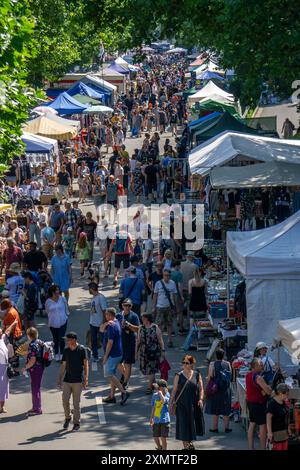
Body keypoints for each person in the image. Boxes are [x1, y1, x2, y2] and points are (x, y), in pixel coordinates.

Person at [170, 355, 205, 450]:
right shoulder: (178, 375)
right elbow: (174, 390)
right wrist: (171, 402)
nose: (184, 365)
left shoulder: (197, 374)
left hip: (193, 404)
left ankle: (189, 443)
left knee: (191, 424)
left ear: (192, 364)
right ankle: (186, 447)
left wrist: (201, 399)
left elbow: (201, 389)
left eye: (187, 363)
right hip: (181, 404)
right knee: (183, 425)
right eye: (183, 363)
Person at [57, 331, 89, 431]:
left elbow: (85, 364)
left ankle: (76, 423)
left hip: (78, 381)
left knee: (76, 403)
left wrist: (86, 378)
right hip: (67, 380)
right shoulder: (66, 350)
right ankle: (67, 417)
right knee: (65, 400)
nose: (67, 341)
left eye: (68, 340)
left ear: (74, 340)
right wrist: (60, 377)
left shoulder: (81, 350)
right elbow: (63, 365)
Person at [100, 308, 130, 405]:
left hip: (112, 355)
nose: (105, 316)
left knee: (109, 374)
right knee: (112, 374)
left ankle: (124, 392)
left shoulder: (112, 326)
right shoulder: (115, 322)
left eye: (107, 315)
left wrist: (105, 356)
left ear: (111, 315)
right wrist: (105, 324)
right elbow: (101, 329)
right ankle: (112, 396)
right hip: (118, 353)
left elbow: (110, 343)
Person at [246, 357, 272, 450]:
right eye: (260, 365)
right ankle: (262, 448)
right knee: (262, 426)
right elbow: (268, 391)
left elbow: (257, 389)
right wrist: (268, 388)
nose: (262, 366)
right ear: (255, 366)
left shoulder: (248, 375)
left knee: (252, 424)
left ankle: (250, 447)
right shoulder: (258, 377)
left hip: (250, 403)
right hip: (258, 404)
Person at [205, 348, 232, 433]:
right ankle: (227, 427)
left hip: (216, 389)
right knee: (225, 408)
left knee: (216, 409)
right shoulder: (227, 363)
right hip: (225, 389)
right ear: (223, 355)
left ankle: (215, 427)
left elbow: (210, 376)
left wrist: (208, 381)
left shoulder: (212, 364)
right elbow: (230, 375)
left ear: (215, 355)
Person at [137, 312, 165, 394]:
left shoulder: (155, 327)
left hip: (153, 352)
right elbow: (138, 341)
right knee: (146, 369)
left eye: (143, 318)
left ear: (147, 319)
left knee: (151, 370)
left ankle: (149, 387)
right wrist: (136, 352)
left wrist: (163, 351)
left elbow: (160, 340)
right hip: (143, 352)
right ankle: (154, 384)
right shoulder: (140, 328)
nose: (142, 319)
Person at [21, 327, 44, 416]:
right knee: (35, 387)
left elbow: (33, 359)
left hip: (35, 369)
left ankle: (37, 409)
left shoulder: (32, 345)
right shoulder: (39, 342)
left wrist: (25, 367)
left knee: (35, 388)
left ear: (29, 336)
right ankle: (35, 406)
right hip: (40, 367)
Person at [117, 299, 140, 388]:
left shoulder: (134, 316)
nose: (127, 307)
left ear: (131, 306)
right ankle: (125, 374)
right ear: (122, 306)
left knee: (128, 363)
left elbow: (138, 329)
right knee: (117, 362)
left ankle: (125, 382)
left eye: (129, 305)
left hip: (130, 342)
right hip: (119, 343)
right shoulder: (119, 315)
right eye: (125, 305)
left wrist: (128, 325)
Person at [152, 268, 178, 348]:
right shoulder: (158, 283)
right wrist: (154, 306)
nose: (167, 277)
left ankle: (170, 340)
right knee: (159, 325)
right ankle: (160, 341)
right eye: (165, 275)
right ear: (163, 275)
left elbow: (174, 295)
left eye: (168, 276)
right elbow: (155, 295)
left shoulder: (172, 283)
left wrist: (175, 307)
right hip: (160, 307)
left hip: (169, 307)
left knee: (169, 324)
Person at [45, 285, 69, 362]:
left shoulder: (62, 299)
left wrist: (66, 315)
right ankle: (56, 353)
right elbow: (47, 311)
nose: (58, 292)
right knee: (55, 339)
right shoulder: (48, 301)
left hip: (63, 321)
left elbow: (66, 307)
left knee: (61, 338)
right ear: (52, 292)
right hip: (53, 323)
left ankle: (62, 353)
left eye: (58, 290)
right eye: (56, 291)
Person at [266, 383, 290, 451]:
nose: (287, 396)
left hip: (284, 433)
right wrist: (269, 432)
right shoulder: (272, 403)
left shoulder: (283, 402)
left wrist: (288, 428)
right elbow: (268, 418)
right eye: (286, 394)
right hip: (276, 433)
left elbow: (285, 417)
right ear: (280, 393)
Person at [88, 282, 108, 363]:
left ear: (92, 289)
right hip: (93, 323)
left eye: (89, 289)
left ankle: (106, 356)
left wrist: (104, 323)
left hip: (100, 324)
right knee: (93, 340)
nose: (88, 290)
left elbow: (104, 311)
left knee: (103, 341)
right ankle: (95, 356)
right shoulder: (94, 297)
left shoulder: (101, 297)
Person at [150, 379, 171, 450]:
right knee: (155, 436)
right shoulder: (154, 395)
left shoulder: (167, 394)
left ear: (162, 387)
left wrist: (161, 394)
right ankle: (159, 447)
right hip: (156, 419)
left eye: (158, 387)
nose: (157, 388)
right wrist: (151, 418)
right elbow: (153, 407)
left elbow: (164, 401)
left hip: (164, 420)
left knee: (163, 438)